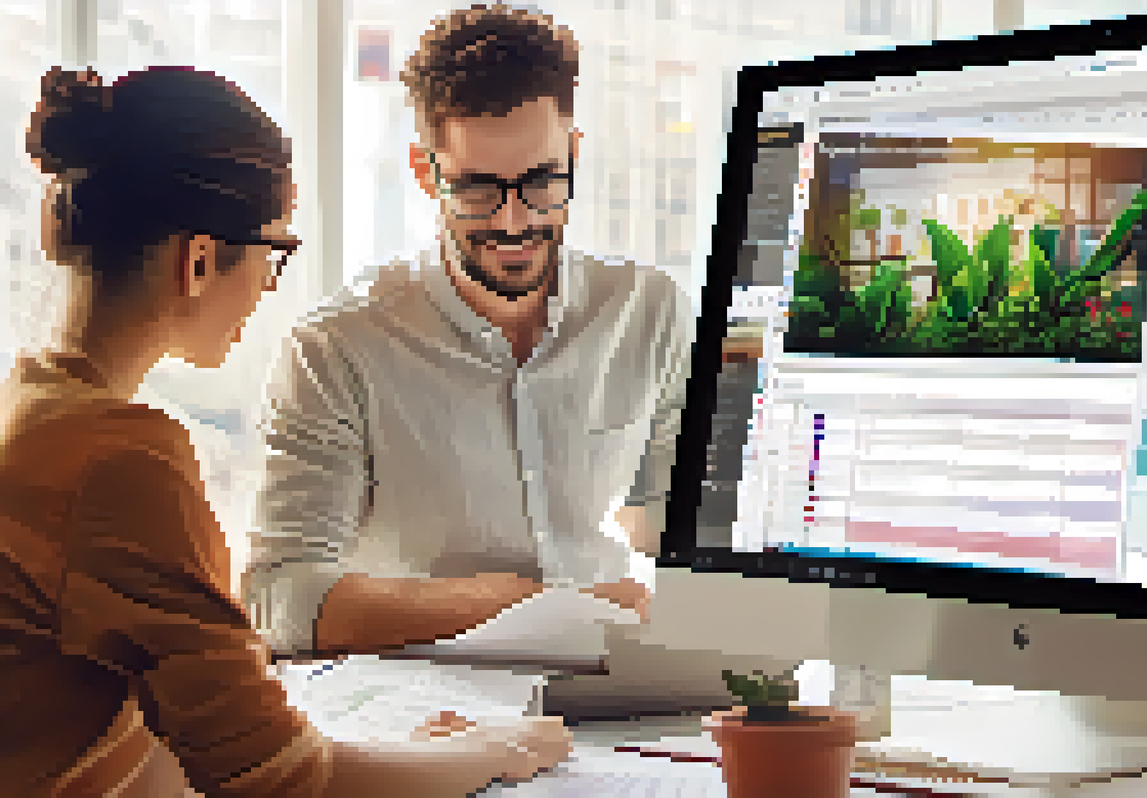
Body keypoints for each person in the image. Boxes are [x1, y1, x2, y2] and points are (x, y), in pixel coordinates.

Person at [0, 64, 572, 798]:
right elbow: (283, 784)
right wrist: (497, 752)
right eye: (275, 255)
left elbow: (179, 740)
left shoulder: (32, 408)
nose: (270, 289)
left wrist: (401, 756)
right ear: (199, 259)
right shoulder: (119, 462)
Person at [242, 3, 689, 738]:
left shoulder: (648, 311)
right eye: (478, 188)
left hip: (614, 703)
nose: (515, 223)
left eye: (543, 181)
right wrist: (526, 604)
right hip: (419, 719)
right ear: (426, 172)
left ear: (575, 152)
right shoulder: (338, 345)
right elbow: (279, 596)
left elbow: (680, 529)